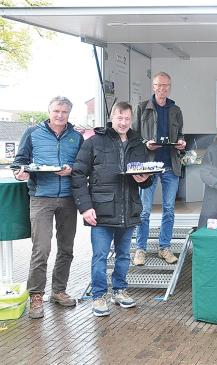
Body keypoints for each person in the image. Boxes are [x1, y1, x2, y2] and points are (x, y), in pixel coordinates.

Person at [71, 101, 152, 317]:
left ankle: (120, 291)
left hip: (129, 208)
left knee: (124, 255)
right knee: (100, 256)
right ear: (112, 117)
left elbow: (145, 179)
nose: (124, 122)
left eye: (127, 118)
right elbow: (78, 174)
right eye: (120, 118)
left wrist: (144, 180)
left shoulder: (138, 144)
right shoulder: (94, 142)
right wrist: (85, 207)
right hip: (101, 210)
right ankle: (99, 296)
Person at [11, 96, 83, 319]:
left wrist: (71, 169)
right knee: (41, 249)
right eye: (56, 111)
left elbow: (82, 165)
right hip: (41, 197)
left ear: (69, 113)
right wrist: (20, 171)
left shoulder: (76, 137)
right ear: (49, 111)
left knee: (66, 249)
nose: (60, 115)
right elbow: (19, 161)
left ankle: (58, 291)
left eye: (64, 112)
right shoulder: (33, 133)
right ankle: (36, 295)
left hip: (69, 199)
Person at [132, 71, 186, 266]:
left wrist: (181, 142)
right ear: (153, 86)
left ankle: (164, 247)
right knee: (145, 210)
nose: (163, 89)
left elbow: (180, 133)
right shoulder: (141, 108)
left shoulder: (175, 110)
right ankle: (140, 249)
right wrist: (145, 143)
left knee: (169, 209)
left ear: (169, 87)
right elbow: (133, 137)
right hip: (149, 165)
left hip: (170, 164)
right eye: (159, 85)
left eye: (166, 85)